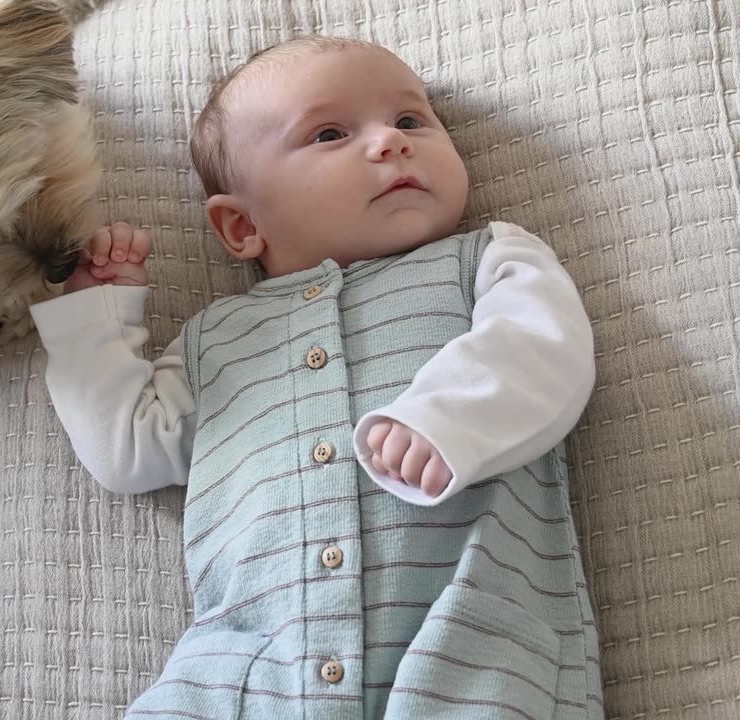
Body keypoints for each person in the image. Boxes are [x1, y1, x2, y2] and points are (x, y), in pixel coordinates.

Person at [30, 36, 602, 719]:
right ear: (242, 225)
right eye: (330, 133)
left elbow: (542, 349)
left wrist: (446, 420)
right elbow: (127, 449)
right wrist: (93, 315)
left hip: (465, 647)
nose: (390, 141)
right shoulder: (217, 341)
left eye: (411, 120)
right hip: (247, 666)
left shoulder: (487, 260)